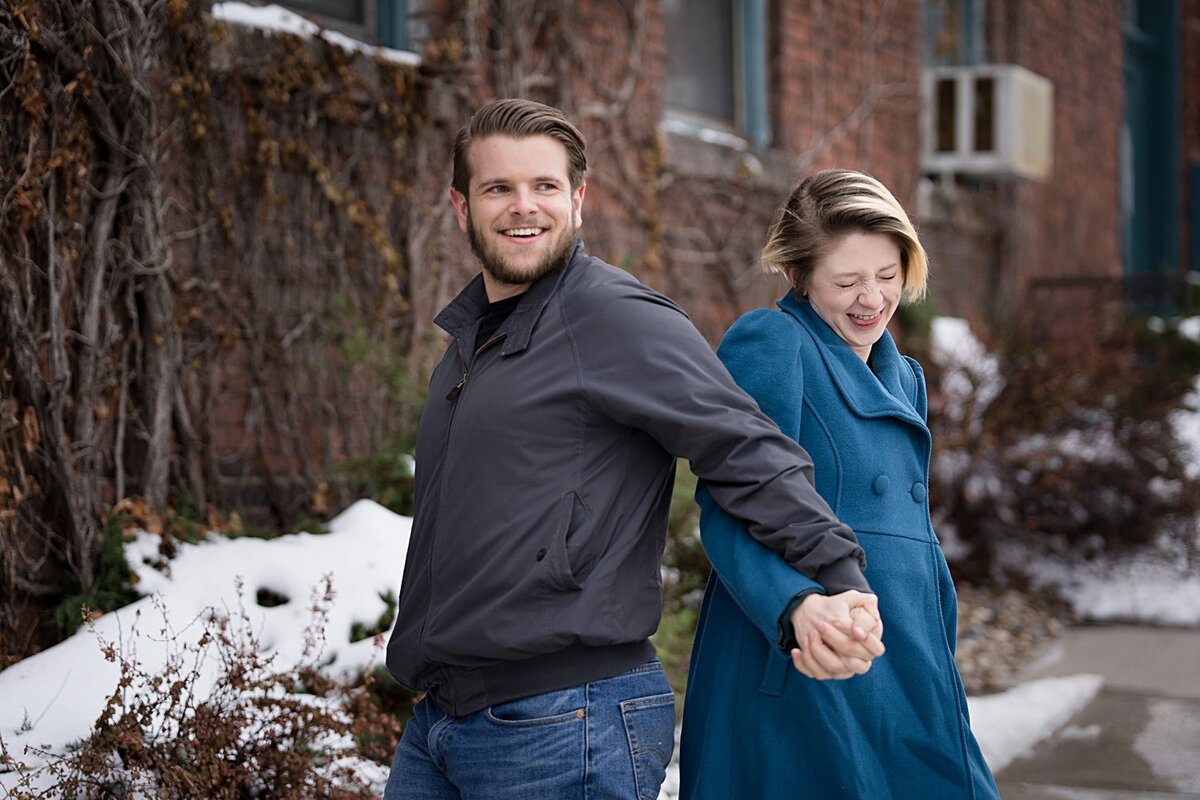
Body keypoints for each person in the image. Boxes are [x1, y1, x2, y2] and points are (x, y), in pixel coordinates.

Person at [382, 100, 885, 799]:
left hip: (562, 721)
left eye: (545, 186)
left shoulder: (611, 317)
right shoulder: (475, 342)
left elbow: (744, 449)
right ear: (462, 207)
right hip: (446, 720)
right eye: (499, 188)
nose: (523, 207)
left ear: (578, 200)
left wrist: (838, 576)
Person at [679, 168, 1001, 799]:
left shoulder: (903, 377)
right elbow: (728, 503)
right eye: (847, 281)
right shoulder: (773, 343)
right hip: (807, 655)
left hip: (903, 653)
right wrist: (795, 604)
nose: (872, 300)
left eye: (887, 276)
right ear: (798, 275)